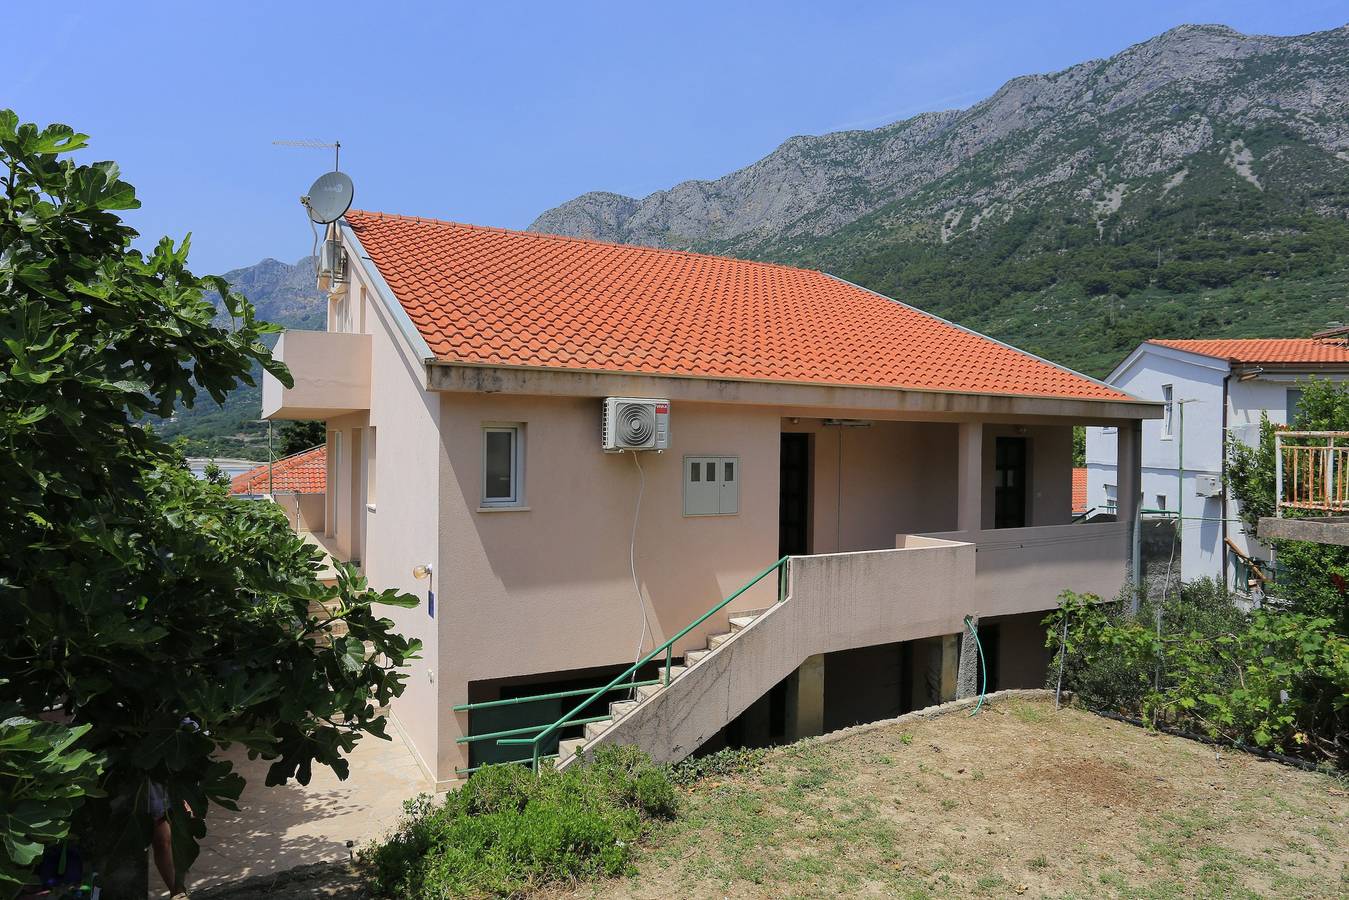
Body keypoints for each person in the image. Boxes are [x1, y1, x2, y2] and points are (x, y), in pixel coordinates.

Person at [148, 781, 189, 899]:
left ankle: (178, 891)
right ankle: (177, 891)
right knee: (161, 839)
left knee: (173, 837)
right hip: (145, 782)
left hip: (170, 778)